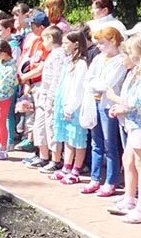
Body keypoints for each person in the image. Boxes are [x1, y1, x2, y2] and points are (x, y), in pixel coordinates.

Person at [105, 34, 141, 222]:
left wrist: (115, 100)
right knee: (128, 159)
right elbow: (129, 97)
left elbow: (135, 100)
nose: (127, 55)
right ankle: (130, 198)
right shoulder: (137, 71)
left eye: (130, 51)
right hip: (133, 123)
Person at [82, 27, 127, 197]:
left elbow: (109, 83)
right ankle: (94, 178)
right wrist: (96, 84)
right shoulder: (99, 59)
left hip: (108, 105)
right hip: (94, 102)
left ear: (114, 41)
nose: (99, 47)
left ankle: (111, 180)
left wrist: (96, 84)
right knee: (96, 142)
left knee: (110, 144)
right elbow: (89, 79)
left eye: (102, 43)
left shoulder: (121, 60)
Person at [51, 30, 89, 185]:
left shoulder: (81, 64)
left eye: (67, 43)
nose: (64, 46)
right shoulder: (69, 62)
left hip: (75, 106)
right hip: (64, 102)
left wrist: (71, 106)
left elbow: (79, 88)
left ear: (76, 44)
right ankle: (67, 166)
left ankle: (76, 169)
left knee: (78, 138)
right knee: (67, 136)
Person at [16, 11, 50, 157]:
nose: (30, 27)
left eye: (33, 25)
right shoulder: (36, 41)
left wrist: (25, 77)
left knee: (40, 121)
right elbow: (29, 62)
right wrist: (26, 81)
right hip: (32, 83)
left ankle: (43, 153)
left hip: (41, 84)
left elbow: (43, 66)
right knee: (33, 120)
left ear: (41, 27)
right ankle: (37, 151)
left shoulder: (46, 43)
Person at [32, 26, 66, 172]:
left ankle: (56, 160)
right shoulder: (52, 54)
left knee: (51, 128)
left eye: (44, 39)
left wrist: (51, 98)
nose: (43, 43)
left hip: (51, 99)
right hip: (43, 97)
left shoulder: (58, 55)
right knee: (40, 127)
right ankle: (43, 156)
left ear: (51, 39)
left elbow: (57, 79)